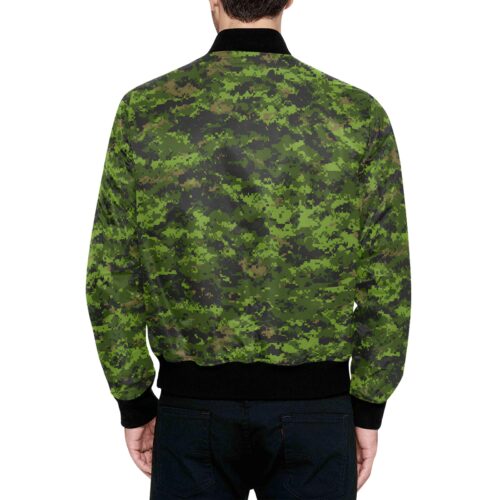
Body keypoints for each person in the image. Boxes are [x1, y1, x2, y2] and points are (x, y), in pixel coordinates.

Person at [85, 0, 411, 498]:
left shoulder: (146, 111)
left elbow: (112, 273)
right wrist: (368, 406)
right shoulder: (356, 114)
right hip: (316, 410)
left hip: (192, 410)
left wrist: (134, 401)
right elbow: (386, 277)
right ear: (288, 0)